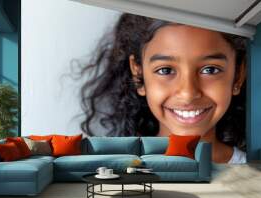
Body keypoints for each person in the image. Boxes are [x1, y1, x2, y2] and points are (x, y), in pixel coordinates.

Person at [76, 13, 247, 164]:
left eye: (210, 70)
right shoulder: (117, 166)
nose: (188, 94)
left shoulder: (255, 171)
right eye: (165, 70)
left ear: (238, 75)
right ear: (138, 74)